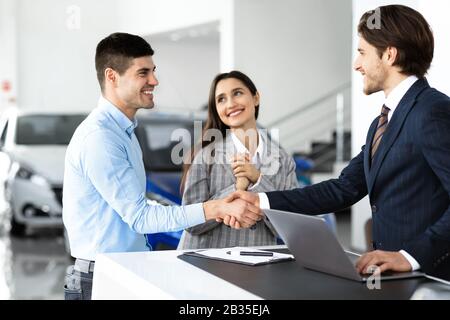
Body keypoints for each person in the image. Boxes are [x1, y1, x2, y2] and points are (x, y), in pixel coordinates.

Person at [228, 5, 450, 279]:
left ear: (389, 55)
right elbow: (343, 189)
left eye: (362, 53)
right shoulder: (382, 123)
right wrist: (260, 200)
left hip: (432, 278)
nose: (357, 65)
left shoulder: (432, 111)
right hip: (393, 279)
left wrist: (410, 255)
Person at [62, 33, 262, 300]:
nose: (154, 81)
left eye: (153, 71)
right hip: (100, 281)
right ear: (112, 77)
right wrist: (216, 208)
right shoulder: (101, 138)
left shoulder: (123, 132)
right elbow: (140, 217)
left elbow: (140, 206)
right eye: (143, 73)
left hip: (120, 272)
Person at [177, 71, 298, 249]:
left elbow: (290, 227)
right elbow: (190, 223)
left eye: (238, 93)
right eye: (221, 99)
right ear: (217, 110)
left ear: (256, 98)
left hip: (256, 265)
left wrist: (257, 180)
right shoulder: (205, 157)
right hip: (206, 263)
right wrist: (237, 187)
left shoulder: (284, 160)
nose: (231, 104)